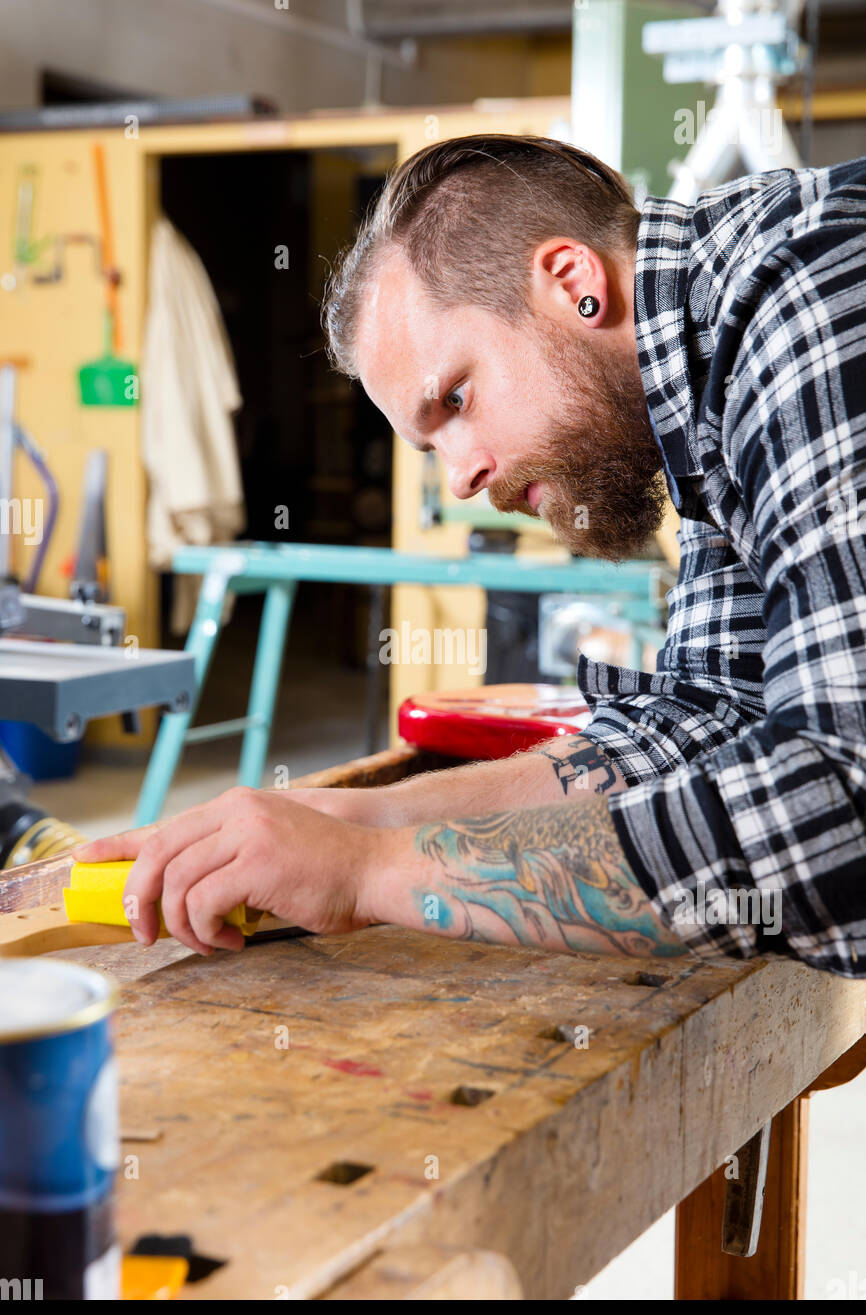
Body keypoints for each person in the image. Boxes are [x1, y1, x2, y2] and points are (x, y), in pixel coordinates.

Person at [81, 136, 866, 977]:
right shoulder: (697, 387)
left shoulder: (808, 295)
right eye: (431, 445)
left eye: (456, 398)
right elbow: (708, 718)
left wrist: (369, 876)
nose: (460, 478)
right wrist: (351, 821)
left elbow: (840, 817)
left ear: (573, 284)